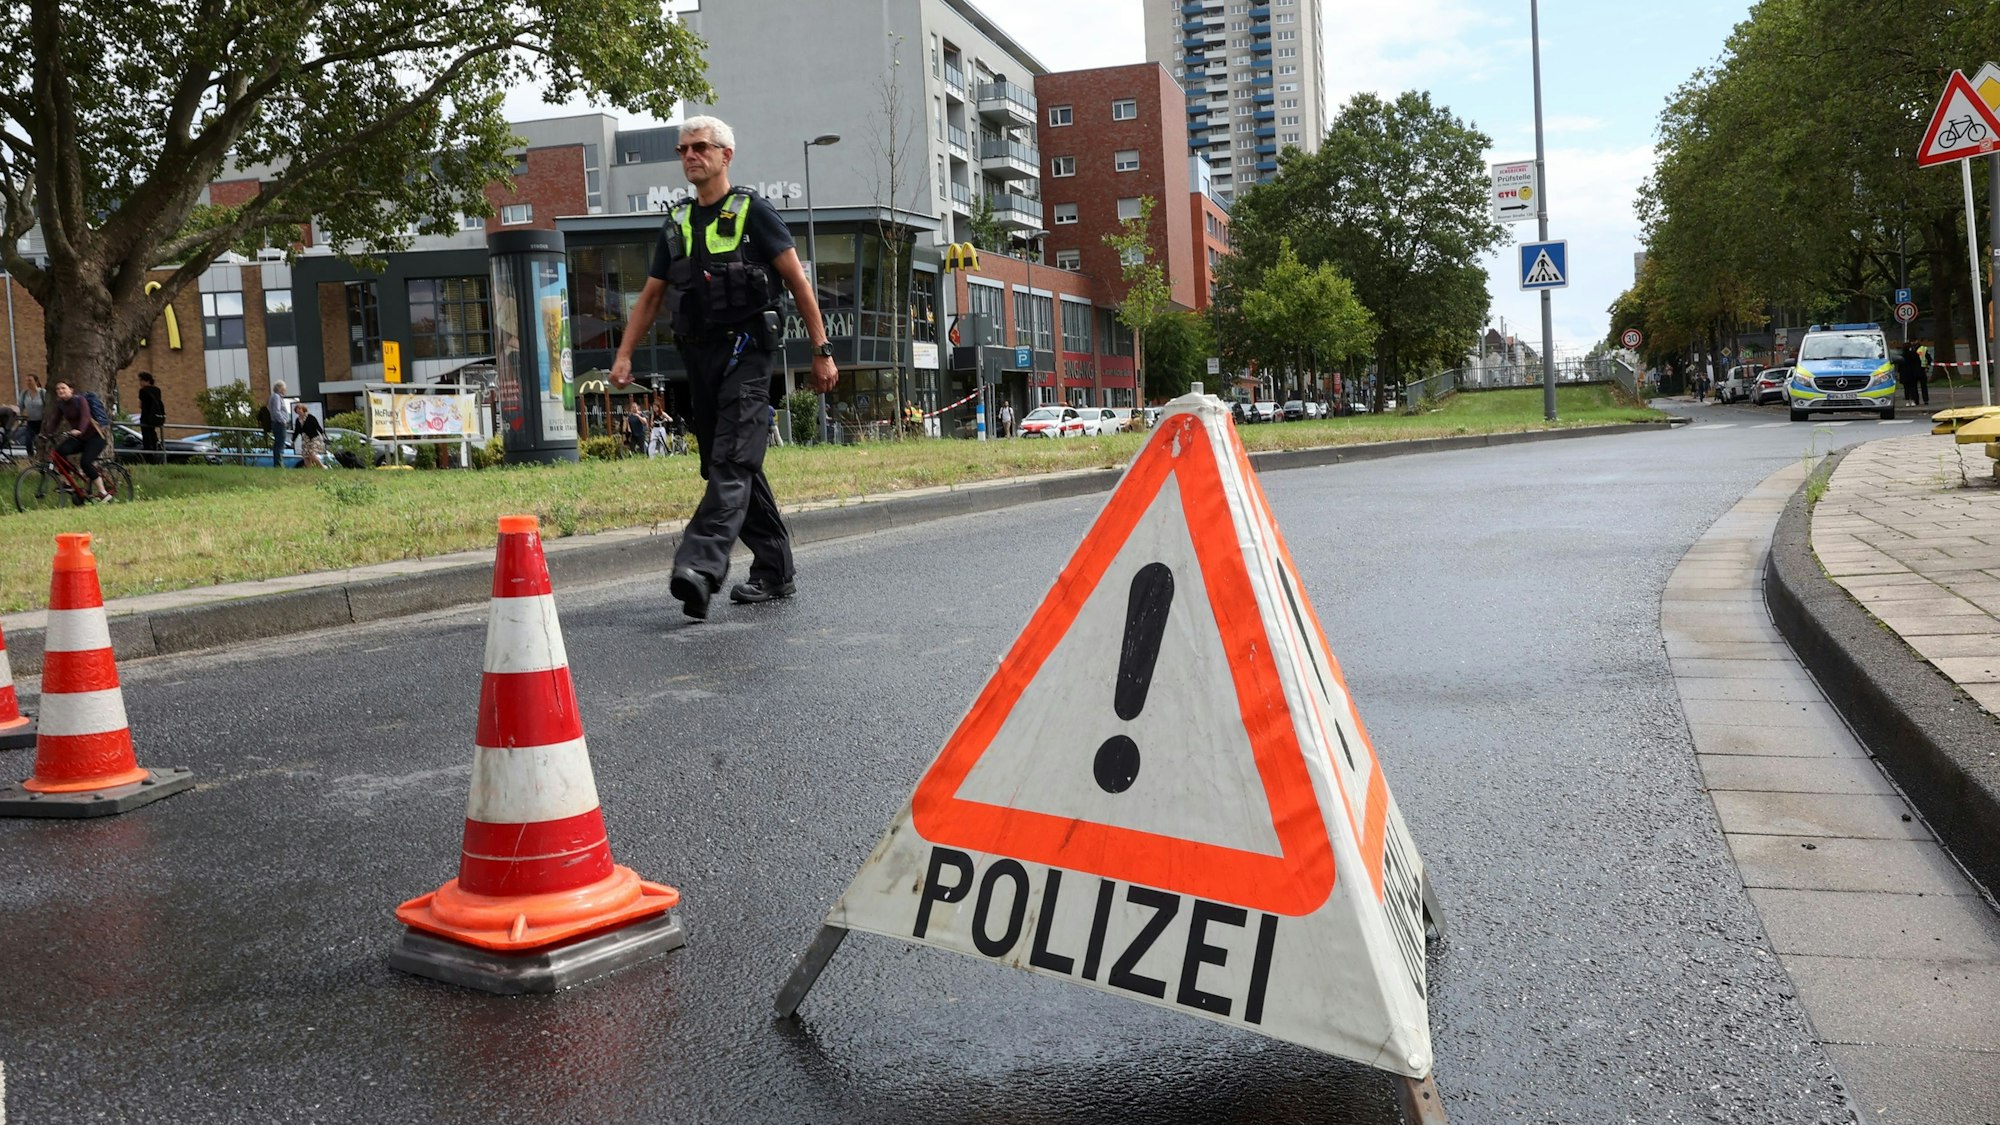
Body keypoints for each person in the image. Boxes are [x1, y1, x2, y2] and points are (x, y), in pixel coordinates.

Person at [608, 115, 838, 620]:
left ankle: (699, 567)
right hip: (698, 359)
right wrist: (624, 354)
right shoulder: (677, 222)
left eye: (700, 147)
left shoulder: (754, 212)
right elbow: (651, 297)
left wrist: (821, 350)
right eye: (683, 149)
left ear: (725, 155)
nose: (690, 156)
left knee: (733, 461)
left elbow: (798, 283)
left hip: (747, 354)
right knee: (726, 464)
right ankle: (775, 569)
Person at [49, 381, 114, 501]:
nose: (60, 391)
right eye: (58, 389)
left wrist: (80, 430)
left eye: (63, 388)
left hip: (95, 437)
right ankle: (67, 483)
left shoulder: (80, 400)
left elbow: (85, 417)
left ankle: (103, 493)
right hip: (80, 438)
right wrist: (47, 433)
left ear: (71, 390)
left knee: (85, 463)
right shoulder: (61, 405)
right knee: (59, 452)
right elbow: (55, 420)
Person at [137, 370, 166, 464]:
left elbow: (140, 405)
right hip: (155, 417)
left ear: (147, 380)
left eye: (141, 380)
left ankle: (149, 459)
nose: (140, 383)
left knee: (146, 438)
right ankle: (156, 453)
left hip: (146, 417)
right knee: (153, 434)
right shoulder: (157, 390)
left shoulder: (143, 391)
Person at [291, 402, 327, 468]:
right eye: (297, 409)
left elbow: (318, 426)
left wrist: (323, 435)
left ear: (303, 409)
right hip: (305, 439)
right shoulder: (297, 420)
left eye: (299, 409)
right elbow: (296, 431)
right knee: (306, 456)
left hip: (313, 438)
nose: (298, 410)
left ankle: (323, 467)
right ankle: (309, 470)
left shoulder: (310, 417)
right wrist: (293, 440)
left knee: (312, 454)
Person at [266, 380, 289, 467]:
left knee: (278, 444)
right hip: (279, 424)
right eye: (284, 388)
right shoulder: (276, 397)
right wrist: (283, 420)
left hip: (276, 423)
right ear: (279, 388)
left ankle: (277, 463)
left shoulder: (274, 396)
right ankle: (279, 464)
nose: (285, 390)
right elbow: (276, 411)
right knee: (280, 444)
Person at [20, 374, 45, 450]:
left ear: (36, 381)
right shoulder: (24, 393)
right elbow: (20, 406)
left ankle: (41, 455)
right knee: (28, 441)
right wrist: (20, 412)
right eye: (26, 381)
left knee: (41, 442)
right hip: (31, 422)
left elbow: (47, 406)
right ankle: (30, 456)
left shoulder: (42, 392)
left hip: (42, 422)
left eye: (30, 380)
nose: (28, 383)